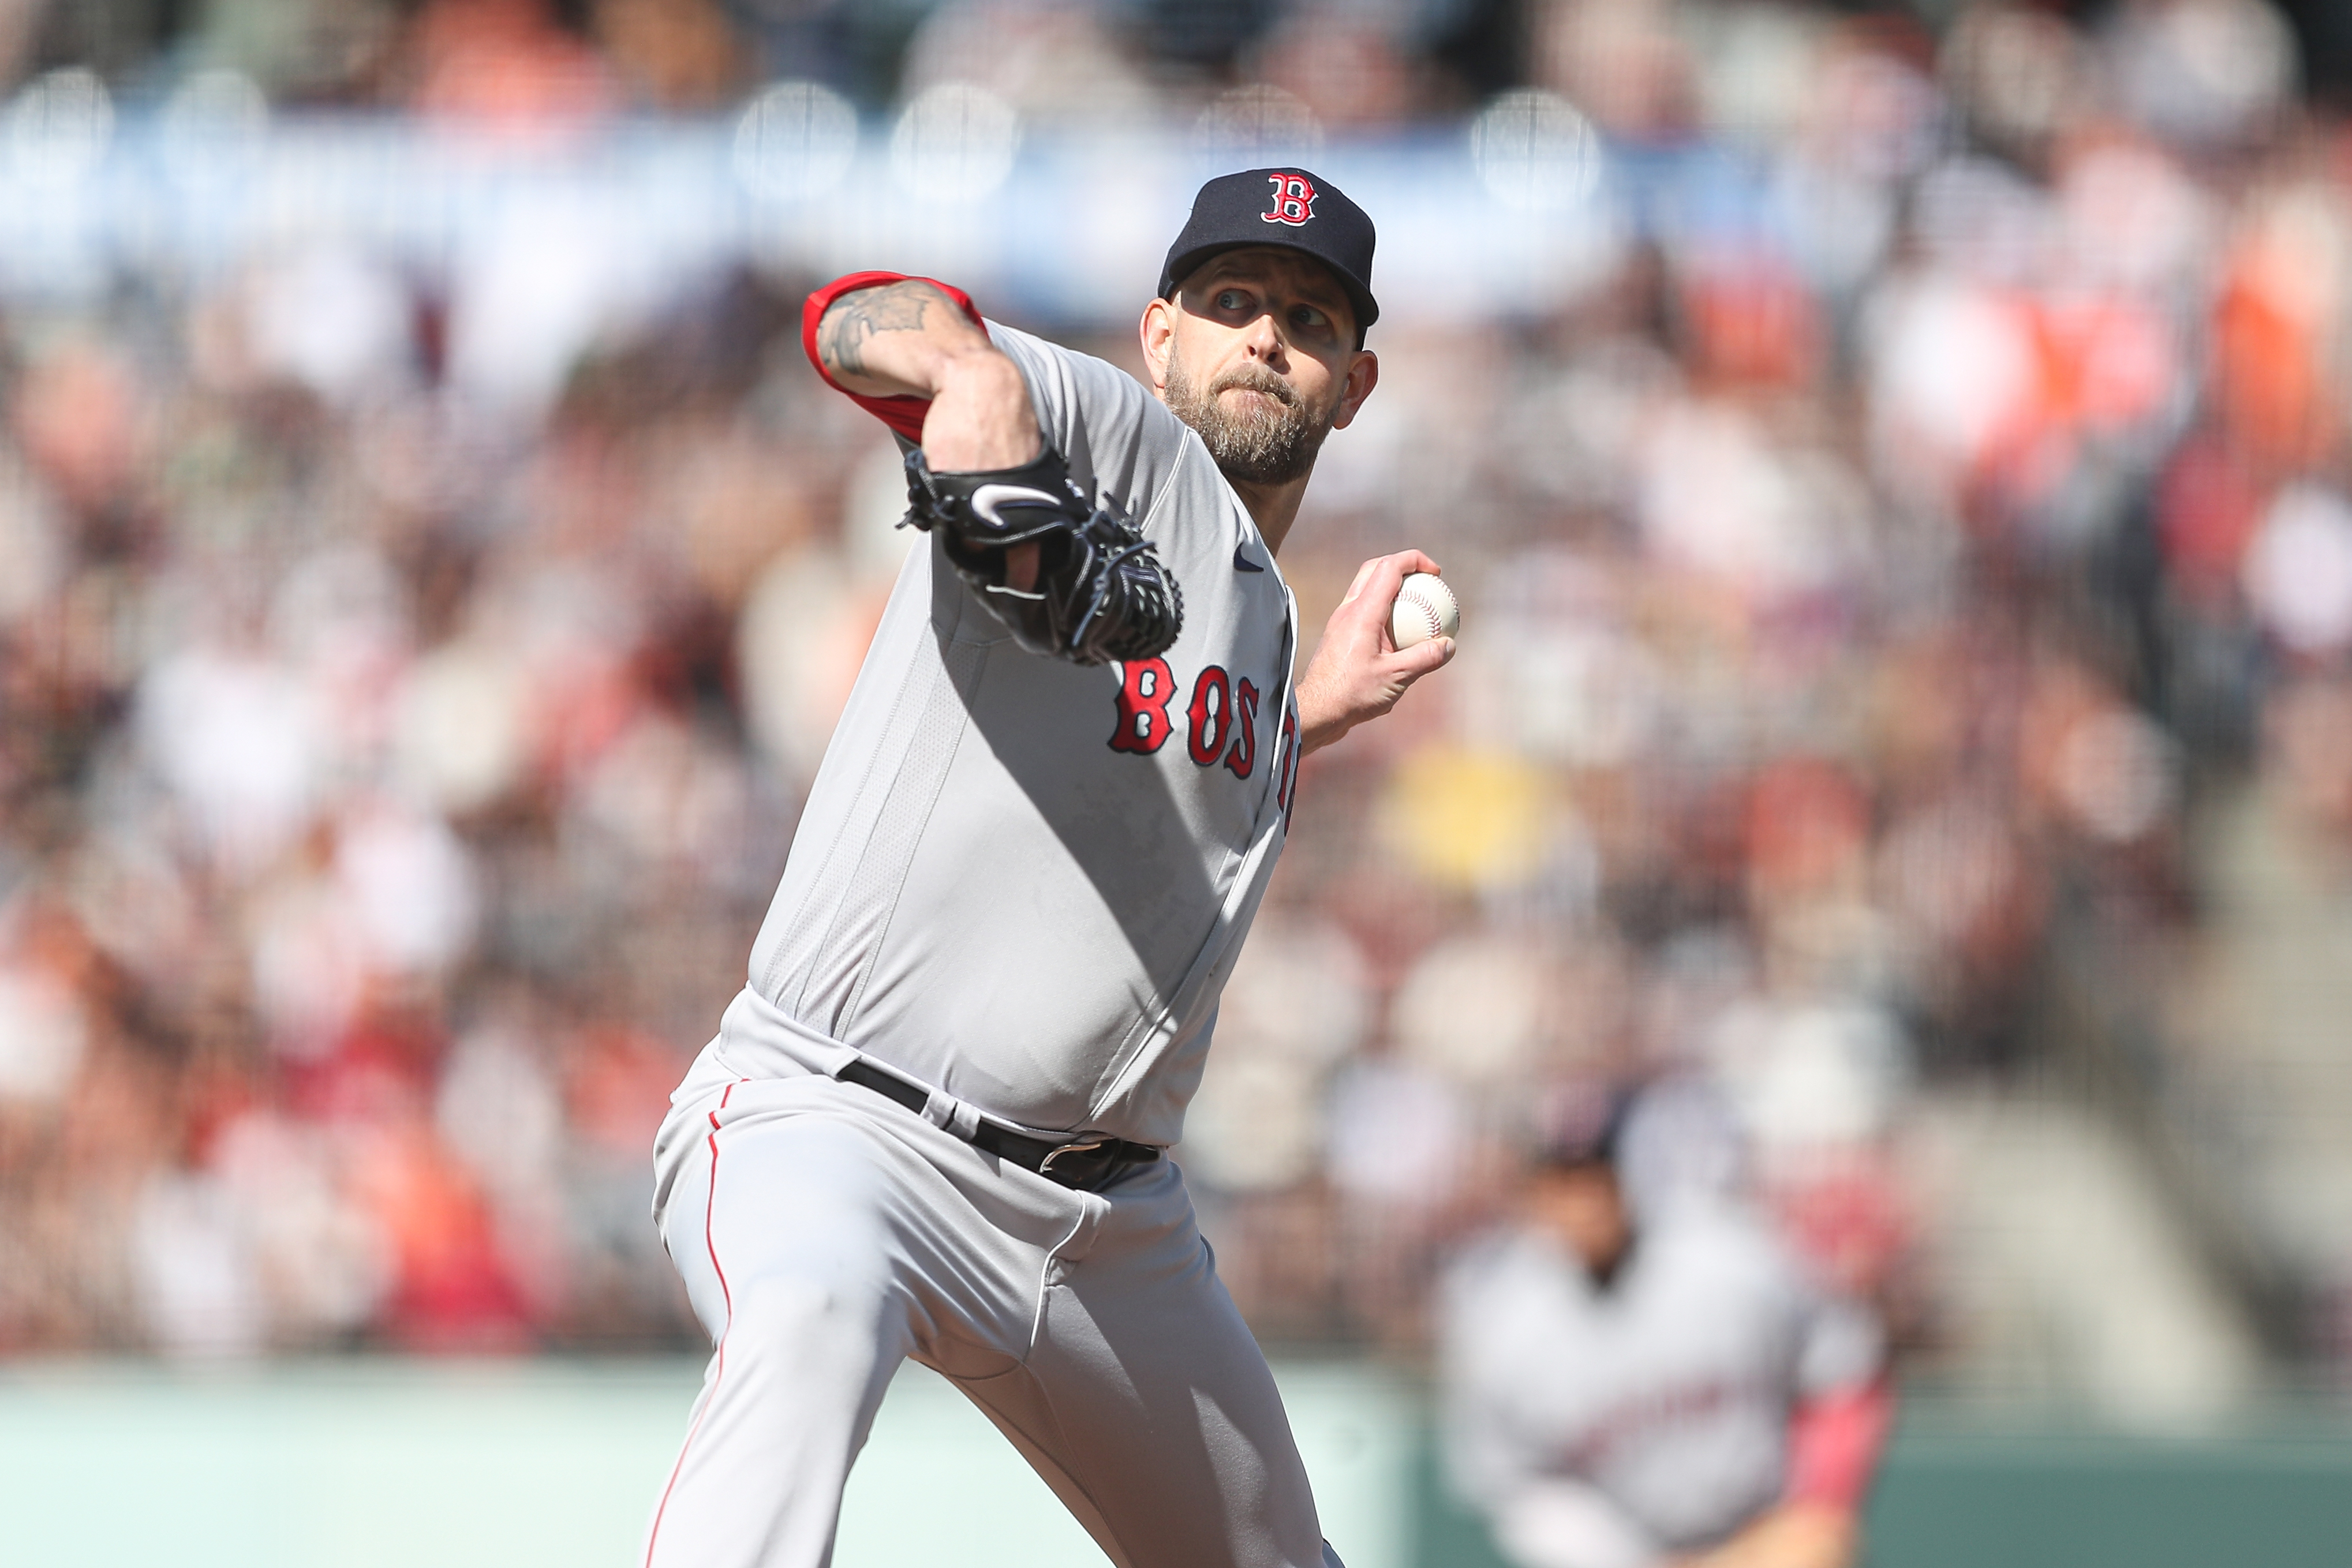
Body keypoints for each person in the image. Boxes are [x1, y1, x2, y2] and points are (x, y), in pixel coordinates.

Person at [639, 168, 1453, 1568]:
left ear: (1356, 383)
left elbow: (1146, 791)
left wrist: (1295, 720)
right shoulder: (1108, 435)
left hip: (1103, 1228)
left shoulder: (1261, 625)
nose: (1265, 336)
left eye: (1308, 318)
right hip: (848, 1133)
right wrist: (974, 381)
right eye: (1232, 302)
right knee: (809, 1325)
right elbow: (857, 320)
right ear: (1158, 335)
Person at [1437, 1084, 1893, 1568]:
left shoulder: (1731, 1260)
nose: (1582, 1203)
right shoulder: (1504, 1321)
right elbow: (1517, 1490)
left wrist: (1818, 1504)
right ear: (1534, 1194)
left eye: (1597, 1177)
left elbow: (1845, 1366)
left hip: (1763, 1534)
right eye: (1561, 1182)